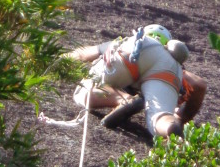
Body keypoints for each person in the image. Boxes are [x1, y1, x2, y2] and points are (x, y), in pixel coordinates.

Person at [65, 24, 206, 139]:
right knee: (160, 117)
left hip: (134, 50)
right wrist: (181, 118)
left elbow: (83, 53)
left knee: (84, 90)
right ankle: (170, 127)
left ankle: (123, 100)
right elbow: (200, 85)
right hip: (165, 68)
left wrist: (61, 57)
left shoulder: (127, 41)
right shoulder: (173, 63)